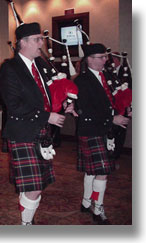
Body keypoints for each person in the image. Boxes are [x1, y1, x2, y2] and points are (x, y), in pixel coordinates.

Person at [0, 22, 76, 225]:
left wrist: (62, 107)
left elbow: (47, 96)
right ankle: (26, 225)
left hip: (41, 132)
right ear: (22, 43)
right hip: (23, 132)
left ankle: (27, 220)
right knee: (34, 186)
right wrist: (47, 116)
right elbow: (14, 106)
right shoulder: (10, 68)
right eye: (37, 39)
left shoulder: (40, 66)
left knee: (37, 184)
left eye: (41, 38)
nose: (41, 43)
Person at [74, 43, 130, 225]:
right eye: (101, 57)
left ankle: (86, 201)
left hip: (104, 130)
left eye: (105, 56)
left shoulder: (106, 76)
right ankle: (97, 208)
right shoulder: (82, 81)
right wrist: (113, 118)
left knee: (93, 170)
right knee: (102, 172)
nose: (105, 60)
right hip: (91, 130)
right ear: (89, 59)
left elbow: (111, 100)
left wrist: (125, 108)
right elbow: (86, 109)